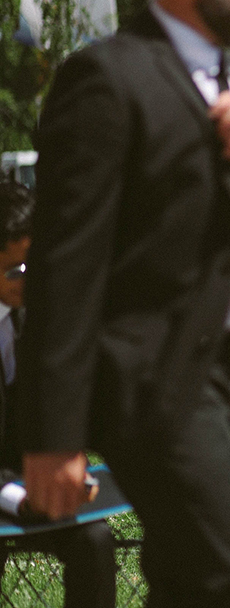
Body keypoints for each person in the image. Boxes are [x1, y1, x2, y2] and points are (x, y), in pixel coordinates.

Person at [18, 0, 230, 603]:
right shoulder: (106, 79)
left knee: (189, 580)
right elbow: (65, 263)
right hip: (156, 379)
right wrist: (53, 436)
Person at [0, 181, 116, 608]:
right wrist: (16, 498)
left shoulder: (44, 315)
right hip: (12, 493)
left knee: (95, 542)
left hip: (35, 485)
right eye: (16, 270)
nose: (29, 281)